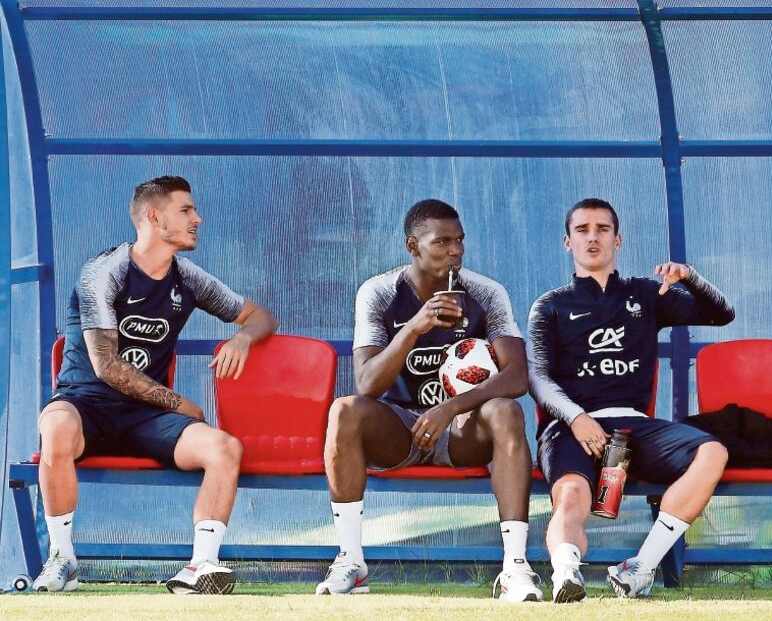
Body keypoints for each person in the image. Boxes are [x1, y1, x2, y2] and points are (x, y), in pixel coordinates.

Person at [34, 175, 278, 594]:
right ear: (153, 216)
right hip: (84, 406)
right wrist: (178, 402)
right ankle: (62, 560)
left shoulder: (189, 278)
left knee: (224, 447)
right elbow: (107, 366)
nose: (197, 218)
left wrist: (241, 338)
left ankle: (202, 567)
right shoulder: (102, 272)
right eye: (185, 210)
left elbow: (261, 317)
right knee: (54, 426)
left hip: (145, 419)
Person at [318, 199, 542, 601]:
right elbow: (366, 384)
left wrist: (451, 407)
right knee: (344, 410)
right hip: (400, 430)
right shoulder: (380, 292)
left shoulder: (485, 293)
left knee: (506, 410)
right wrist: (414, 328)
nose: (454, 250)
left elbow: (517, 376)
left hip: (461, 430)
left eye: (459, 241)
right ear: (412, 246)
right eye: (441, 241)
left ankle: (514, 567)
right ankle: (350, 560)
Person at [527, 198, 733, 602]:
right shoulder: (550, 305)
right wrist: (575, 417)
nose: (592, 238)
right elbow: (538, 378)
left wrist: (690, 277)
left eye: (602, 229)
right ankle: (567, 575)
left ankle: (639, 568)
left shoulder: (646, 294)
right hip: (573, 427)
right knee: (572, 494)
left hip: (634, 426)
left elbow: (721, 314)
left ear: (617, 240)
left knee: (711, 452)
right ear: (567, 242)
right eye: (582, 230)